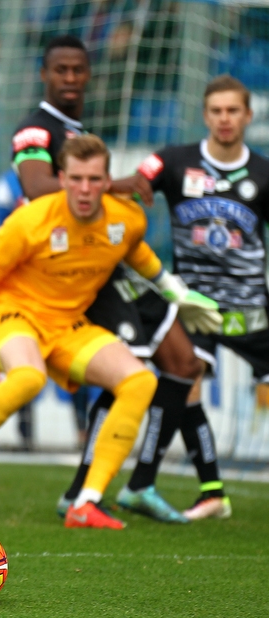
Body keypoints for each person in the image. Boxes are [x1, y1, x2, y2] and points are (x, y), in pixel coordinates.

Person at [0, 134, 221, 529]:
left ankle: (87, 501)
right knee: (28, 378)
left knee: (140, 382)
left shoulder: (125, 217)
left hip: (68, 324)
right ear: (61, 178)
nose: (84, 189)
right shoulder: (29, 221)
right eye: (76, 178)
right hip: (15, 313)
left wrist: (177, 293)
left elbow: (136, 253)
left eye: (94, 179)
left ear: (107, 180)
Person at [0, 34, 213, 525]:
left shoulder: (74, 129)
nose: (69, 79)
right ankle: (85, 490)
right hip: (71, 277)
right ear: (44, 74)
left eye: (77, 70)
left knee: (183, 363)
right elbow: (38, 188)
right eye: (60, 70)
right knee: (133, 373)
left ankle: (141, 481)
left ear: (88, 75)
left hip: (109, 263)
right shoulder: (35, 131)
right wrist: (115, 183)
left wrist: (175, 289)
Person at [91, 75, 268, 520]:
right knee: (183, 382)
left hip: (251, 308)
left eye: (233, 111)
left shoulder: (265, 174)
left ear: (248, 115)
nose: (224, 119)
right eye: (216, 111)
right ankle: (197, 489)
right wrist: (119, 186)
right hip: (194, 304)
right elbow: (137, 178)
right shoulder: (175, 161)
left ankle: (182, 486)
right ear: (205, 115)